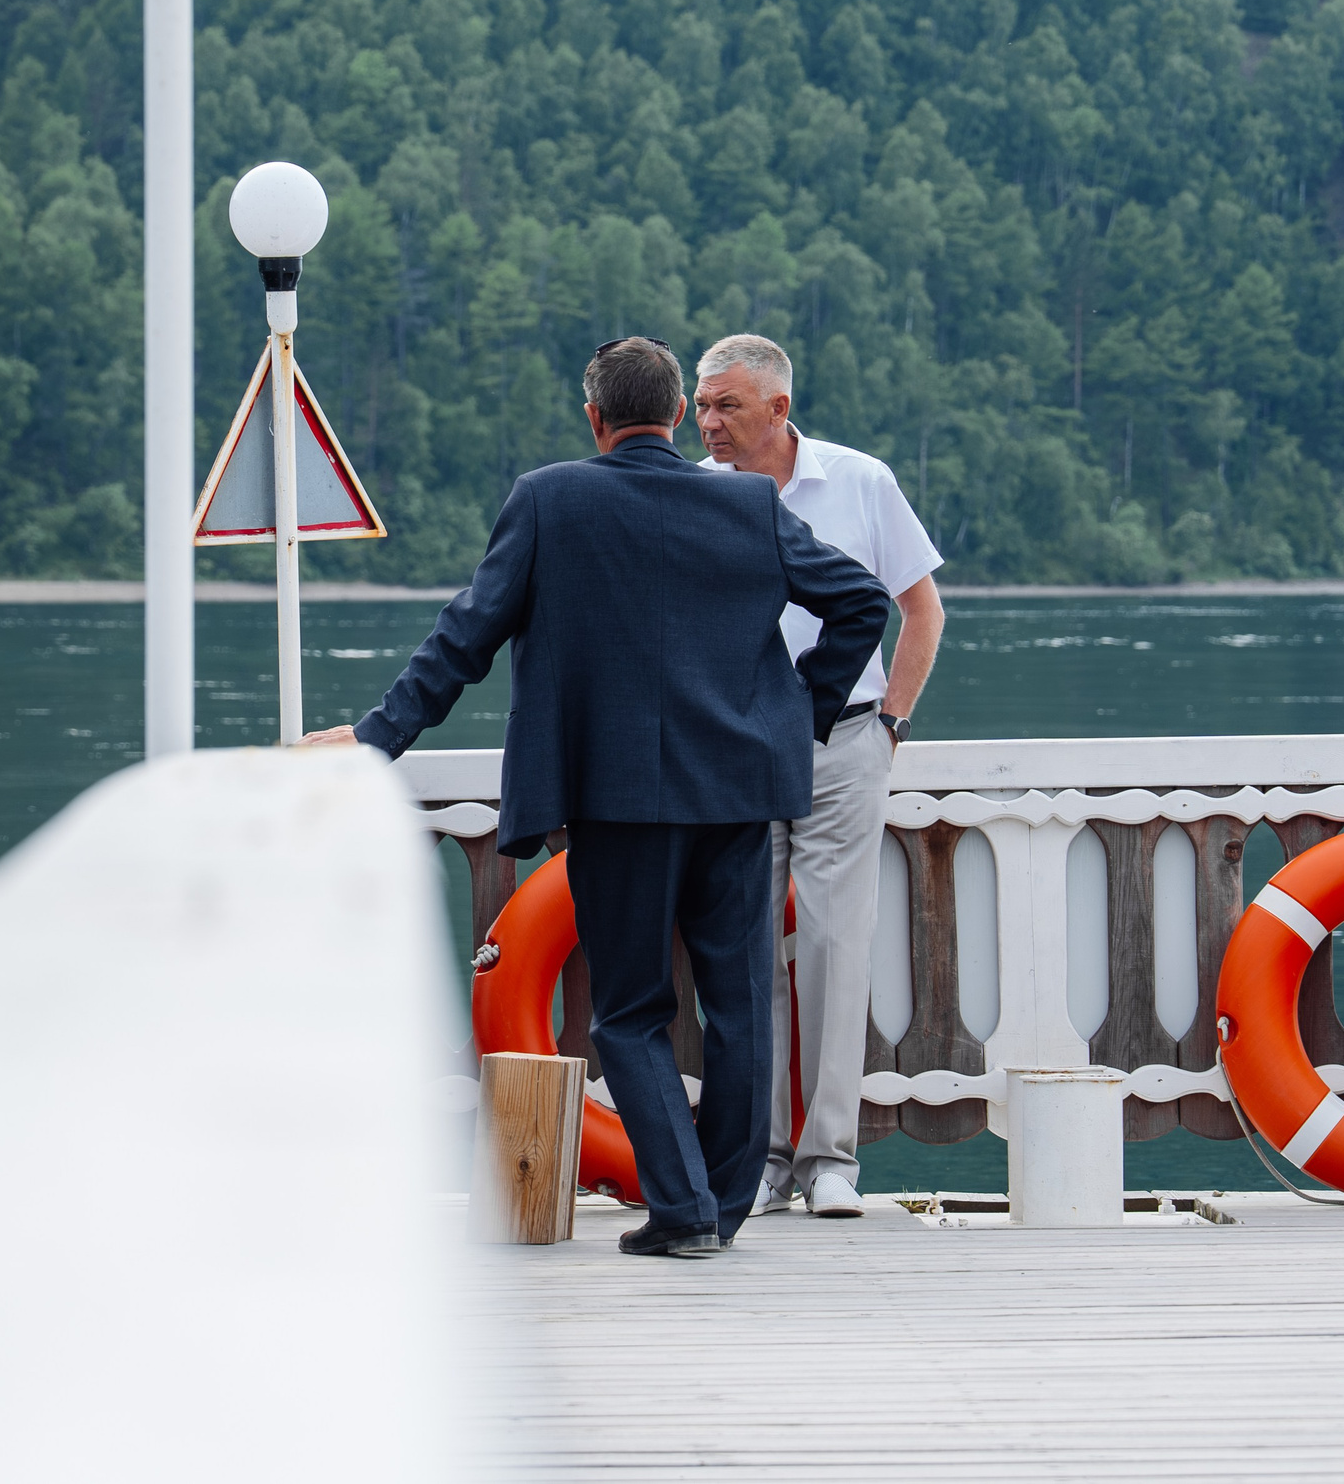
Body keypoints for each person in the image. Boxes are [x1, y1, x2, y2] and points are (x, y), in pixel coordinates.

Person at [303, 339, 889, 1258]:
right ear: (676, 413)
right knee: (739, 1009)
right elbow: (864, 602)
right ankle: (722, 1205)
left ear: (594, 418)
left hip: (617, 803)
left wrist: (377, 735)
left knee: (629, 1013)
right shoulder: (749, 501)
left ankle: (685, 1210)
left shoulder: (549, 498)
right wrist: (793, 718)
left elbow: (465, 637)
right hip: (738, 795)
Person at [692, 333, 945, 1220]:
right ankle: (760, 1160)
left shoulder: (862, 481)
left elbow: (920, 609)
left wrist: (892, 723)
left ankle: (830, 1157)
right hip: (737, 747)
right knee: (745, 952)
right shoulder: (698, 493)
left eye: (726, 404)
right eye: (702, 403)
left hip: (845, 740)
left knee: (837, 947)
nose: (708, 420)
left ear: (779, 407)